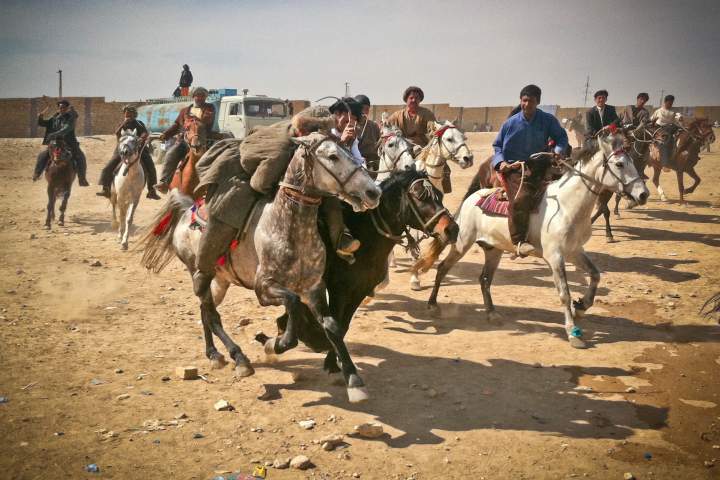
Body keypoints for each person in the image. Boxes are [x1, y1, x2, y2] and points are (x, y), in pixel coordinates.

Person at [492, 84, 569, 257]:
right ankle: (519, 241)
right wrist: (501, 162)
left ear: (538, 102)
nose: (527, 104)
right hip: (516, 168)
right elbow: (497, 146)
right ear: (520, 101)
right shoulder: (510, 123)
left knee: (567, 188)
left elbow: (561, 137)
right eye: (524, 100)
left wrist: (558, 151)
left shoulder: (548, 120)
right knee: (521, 197)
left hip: (541, 164)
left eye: (531, 101)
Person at [155, 87, 216, 193]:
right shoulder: (185, 111)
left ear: (205, 97)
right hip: (185, 141)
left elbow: (207, 120)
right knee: (171, 154)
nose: (200, 98)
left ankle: (216, 187)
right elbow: (177, 125)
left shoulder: (209, 108)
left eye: (202, 96)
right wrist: (166, 134)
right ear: (193, 96)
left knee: (216, 159)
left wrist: (192, 120)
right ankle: (164, 182)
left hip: (203, 140)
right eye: (197, 95)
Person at [96, 105, 160, 199]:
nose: (127, 115)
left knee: (151, 167)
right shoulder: (121, 124)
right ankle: (106, 188)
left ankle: (151, 191)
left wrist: (141, 139)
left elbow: (144, 133)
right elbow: (117, 133)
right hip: (122, 149)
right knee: (108, 167)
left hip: (138, 149)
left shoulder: (139, 123)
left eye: (129, 114)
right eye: (125, 114)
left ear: (134, 115)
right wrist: (123, 124)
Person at [33, 99, 89, 186]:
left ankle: (82, 179)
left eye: (63, 108)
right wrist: (40, 117)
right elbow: (44, 124)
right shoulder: (55, 118)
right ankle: (37, 174)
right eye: (60, 108)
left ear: (67, 108)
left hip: (69, 143)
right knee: (42, 155)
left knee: (80, 157)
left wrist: (54, 134)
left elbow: (66, 129)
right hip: (55, 143)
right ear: (58, 108)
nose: (61, 109)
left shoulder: (70, 118)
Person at [650, 94, 683, 170]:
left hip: (671, 129)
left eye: (672, 103)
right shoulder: (658, 111)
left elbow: (677, 120)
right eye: (669, 103)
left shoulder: (673, 112)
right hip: (660, 130)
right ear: (665, 102)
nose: (671, 104)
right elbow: (651, 120)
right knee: (666, 140)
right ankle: (665, 164)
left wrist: (680, 119)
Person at [353, 94, 381, 175]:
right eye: (361, 108)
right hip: (356, 162)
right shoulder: (349, 125)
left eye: (366, 109)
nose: (364, 111)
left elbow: (378, 144)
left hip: (372, 163)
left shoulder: (374, 126)